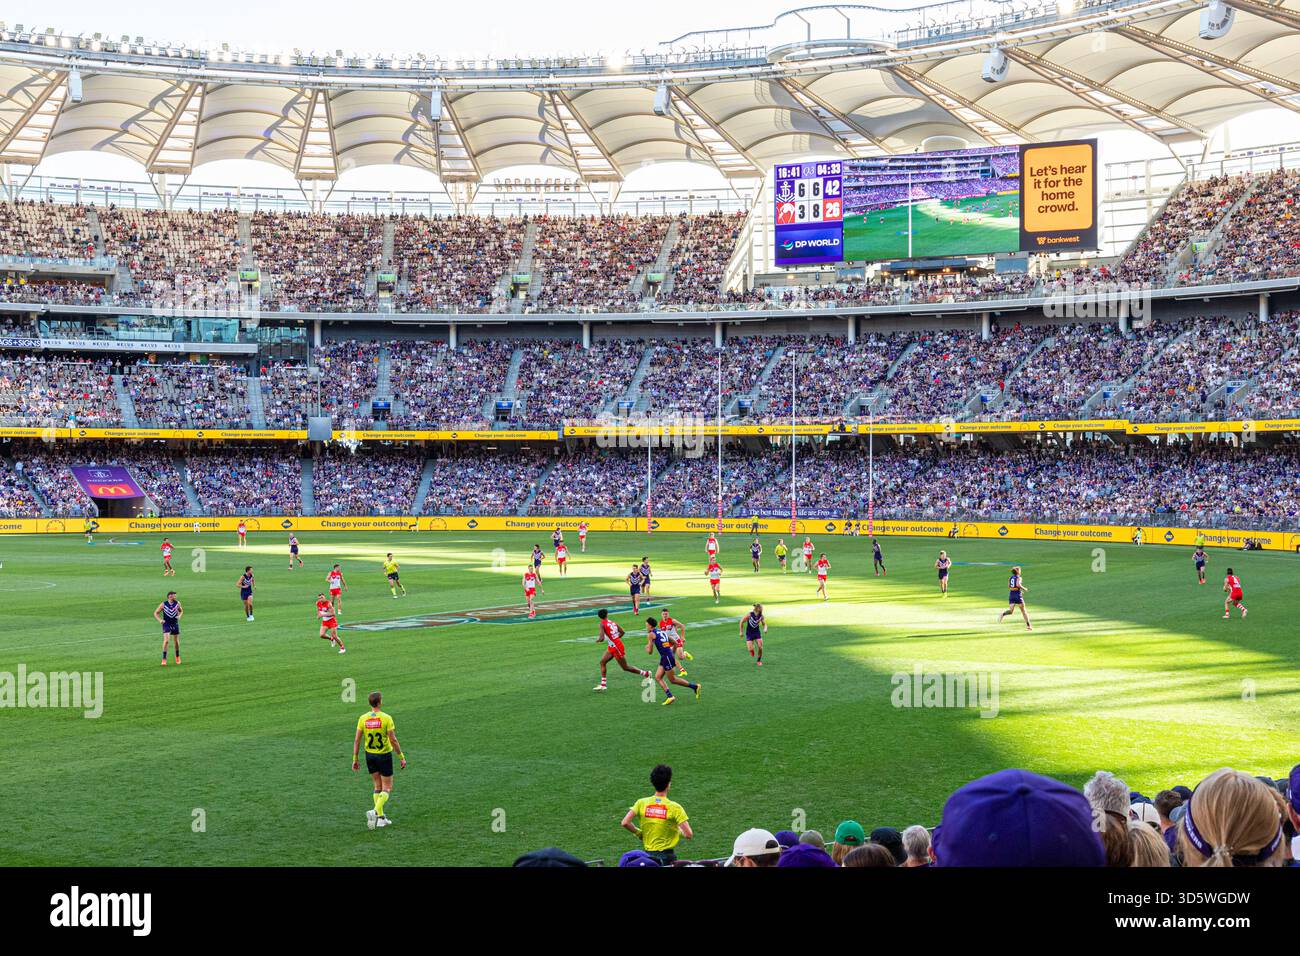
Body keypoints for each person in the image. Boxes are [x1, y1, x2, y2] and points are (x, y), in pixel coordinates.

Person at [352, 691, 407, 830]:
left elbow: (357, 739)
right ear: (379, 702)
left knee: (377, 786)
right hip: (383, 755)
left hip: (369, 755)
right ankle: (375, 811)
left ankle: (381, 819)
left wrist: (355, 758)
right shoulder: (386, 718)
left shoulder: (363, 718)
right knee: (387, 787)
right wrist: (401, 756)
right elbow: (393, 739)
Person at [621, 764, 692, 865]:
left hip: (647, 858)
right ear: (669, 784)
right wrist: (678, 830)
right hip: (667, 858)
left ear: (653, 783)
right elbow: (688, 834)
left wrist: (639, 833)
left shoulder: (641, 802)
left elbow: (625, 822)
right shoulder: (675, 807)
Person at [644, 617, 699, 706]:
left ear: (650, 626)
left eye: (646, 625)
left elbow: (650, 652)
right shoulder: (661, 631)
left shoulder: (650, 634)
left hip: (666, 658)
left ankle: (695, 687)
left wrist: (647, 648)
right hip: (665, 657)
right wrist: (671, 653)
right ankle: (670, 696)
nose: (646, 626)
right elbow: (674, 642)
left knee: (673, 680)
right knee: (658, 677)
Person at [593, 609, 649, 691]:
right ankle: (603, 685)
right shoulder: (612, 622)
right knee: (602, 662)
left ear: (598, 616)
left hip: (616, 647)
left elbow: (601, 638)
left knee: (625, 667)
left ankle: (646, 673)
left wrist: (598, 640)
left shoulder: (602, 624)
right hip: (613, 646)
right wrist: (615, 639)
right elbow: (622, 632)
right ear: (607, 615)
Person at [657, 606, 693, 677]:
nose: (665, 615)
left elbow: (682, 626)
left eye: (666, 614)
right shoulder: (660, 623)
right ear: (661, 615)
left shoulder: (672, 621)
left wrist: (682, 636)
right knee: (671, 657)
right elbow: (663, 633)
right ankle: (682, 670)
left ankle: (685, 654)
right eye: (663, 614)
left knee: (681, 657)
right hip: (669, 643)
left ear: (668, 614)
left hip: (676, 641)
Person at [997, 565, 1031, 630]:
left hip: (1011, 594)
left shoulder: (1010, 578)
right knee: (1023, 611)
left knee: (1011, 611)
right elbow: (1018, 585)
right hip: (1017, 595)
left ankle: (1002, 614)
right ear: (1018, 572)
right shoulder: (1019, 578)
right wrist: (1024, 589)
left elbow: (1009, 586)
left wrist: (1016, 590)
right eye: (1020, 570)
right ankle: (1028, 626)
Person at [154, 590, 183, 666]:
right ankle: (164, 658)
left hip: (174, 623)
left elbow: (181, 611)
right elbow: (156, 613)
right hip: (166, 623)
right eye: (174, 595)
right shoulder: (163, 604)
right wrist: (160, 620)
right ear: (169, 596)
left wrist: (179, 616)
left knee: (176, 641)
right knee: (166, 641)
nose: (175, 596)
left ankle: (177, 656)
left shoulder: (177, 603)